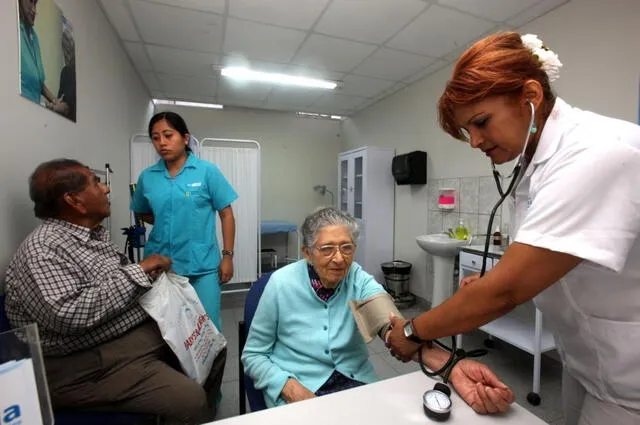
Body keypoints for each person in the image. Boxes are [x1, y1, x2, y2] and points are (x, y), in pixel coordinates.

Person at [386, 32, 640, 425]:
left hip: (630, 378)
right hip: (589, 358)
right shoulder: (534, 164)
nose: (474, 142)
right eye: (467, 131)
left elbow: (507, 291)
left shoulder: (597, 153)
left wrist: (413, 332)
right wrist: (491, 285)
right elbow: (550, 262)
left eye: (481, 122)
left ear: (531, 96)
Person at [4, 159, 227, 424]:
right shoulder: (43, 249)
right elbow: (70, 314)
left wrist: (149, 276)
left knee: (212, 346)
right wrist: (141, 271)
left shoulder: (93, 236)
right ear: (74, 200)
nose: (106, 190)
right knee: (188, 400)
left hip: (125, 335)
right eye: (96, 182)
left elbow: (113, 283)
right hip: (81, 363)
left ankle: (208, 417)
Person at [242, 207, 514, 413]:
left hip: (353, 381)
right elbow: (254, 355)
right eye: (327, 249)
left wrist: (451, 366)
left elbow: (390, 324)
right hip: (300, 387)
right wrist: (289, 388)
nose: (339, 259)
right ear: (307, 252)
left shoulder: (357, 278)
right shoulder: (280, 284)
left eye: (346, 248)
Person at [131, 111, 237, 331]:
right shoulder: (147, 177)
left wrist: (227, 256)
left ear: (185, 138)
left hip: (202, 265)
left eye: (168, 135)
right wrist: (167, 221)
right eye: (155, 137)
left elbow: (226, 214)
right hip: (160, 266)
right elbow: (142, 211)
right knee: (165, 328)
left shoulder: (206, 171)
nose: (162, 142)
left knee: (207, 328)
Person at [18, 0, 60, 108]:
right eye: (30, 2)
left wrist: (57, 103)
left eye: (35, 4)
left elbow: (39, 84)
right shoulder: (13, 29)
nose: (34, 10)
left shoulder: (34, 37)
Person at [48, 27, 76, 121]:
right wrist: (57, 103)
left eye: (68, 49)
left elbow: (69, 106)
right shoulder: (65, 72)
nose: (66, 54)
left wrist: (63, 107)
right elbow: (61, 98)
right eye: (64, 48)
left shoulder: (78, 73)